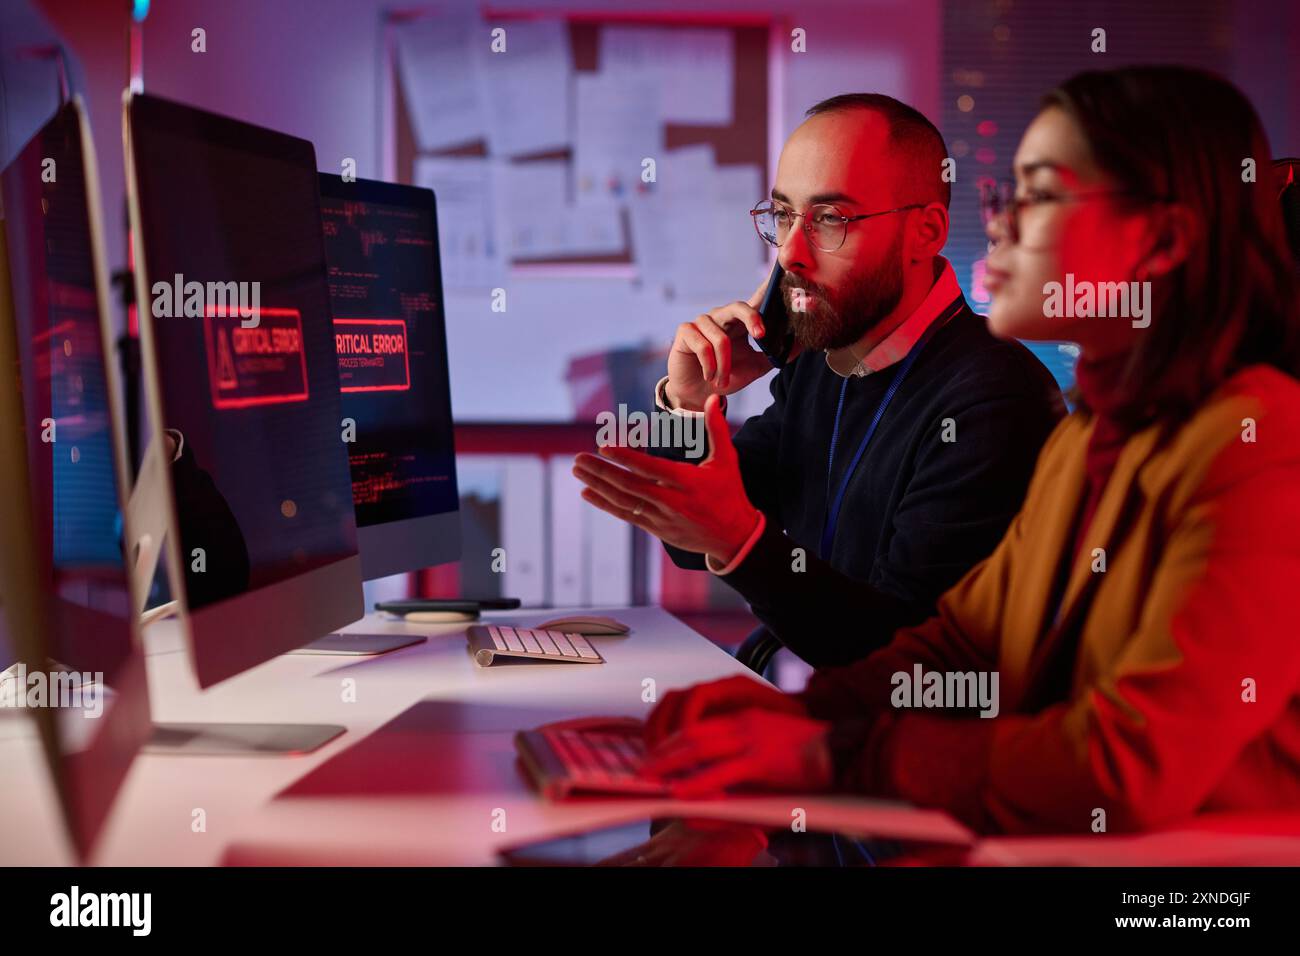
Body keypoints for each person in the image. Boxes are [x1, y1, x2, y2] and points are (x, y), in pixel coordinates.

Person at [634, 66, 1300, 835]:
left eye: (1041, 195)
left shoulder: (1256, 447)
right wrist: (782, 718)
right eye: (1008, 193)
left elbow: (1122, 765)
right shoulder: (1093, 436)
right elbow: (960, 646)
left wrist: (823, 751)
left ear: (1162, 242)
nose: (1002, 220)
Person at [573, 94, 1062, 668]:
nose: (791, 253)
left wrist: (740, 544)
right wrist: (690, 403)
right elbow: (692, 540)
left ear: (926, 233)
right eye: (783, 216)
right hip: (820, 713)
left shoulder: (993, 401)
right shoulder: (824, 359)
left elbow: (910, 662)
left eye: (831, 219)